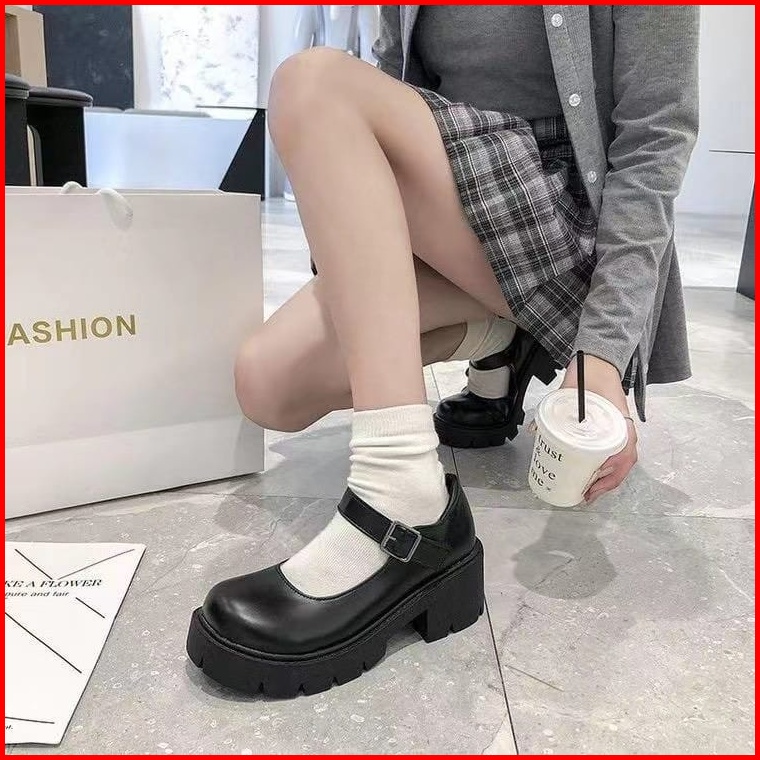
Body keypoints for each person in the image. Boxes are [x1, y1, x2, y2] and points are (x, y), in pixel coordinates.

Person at [186, 5, 699, 698]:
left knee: (311, 83)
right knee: (268, 384)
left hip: (570, 212)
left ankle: (401, 493)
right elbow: (398, 102)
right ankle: (504, 336)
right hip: (456, 191)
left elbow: (654, 143)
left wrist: (602, 357)